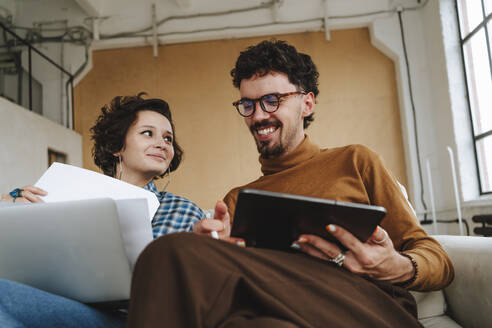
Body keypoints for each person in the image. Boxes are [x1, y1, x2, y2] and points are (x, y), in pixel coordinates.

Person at [126, 40, 455, 328]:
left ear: (307, 103)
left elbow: (437, 260)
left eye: (272, 100)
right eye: (248, 104)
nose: (257, 116)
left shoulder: (355, 161)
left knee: (169, 250)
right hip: (285, 309)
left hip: (369, 306)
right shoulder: (238, 199)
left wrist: (396, 266)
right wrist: (211, 252)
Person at [0, 93, 204, 328]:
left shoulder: (184, 210)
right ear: (116, 146)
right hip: (66, 306)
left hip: (136, 318)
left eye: (168, 139)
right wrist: (9, 209)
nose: (162, 143)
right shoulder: (63, 192)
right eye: (148, 133)